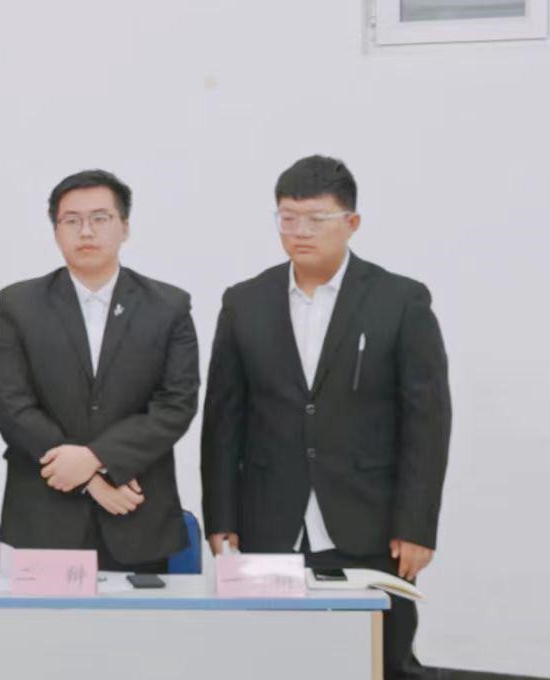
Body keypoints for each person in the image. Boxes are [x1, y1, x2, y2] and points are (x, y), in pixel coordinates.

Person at [201, 155, 451, 679]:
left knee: (380, 662)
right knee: (271, 662)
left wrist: (416, 524)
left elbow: (426, 421)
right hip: (268, 526)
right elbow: (223, 420)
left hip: (371, 526)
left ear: (351, 222)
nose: (300, 232)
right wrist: (221, 519)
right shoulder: (245, 302)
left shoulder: (399, 300)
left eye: (316, 219)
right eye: (287, 218)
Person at [0, 169, 199, 572]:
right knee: (45, 617)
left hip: (135, 512)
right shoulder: (19, 304)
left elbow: (175, 405)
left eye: (100, 218)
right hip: (45, 517)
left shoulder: (168, 306)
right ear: (56, 231)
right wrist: (91, 480)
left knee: (137, 616)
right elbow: (11, 404)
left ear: (125, 227)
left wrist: (96, 458)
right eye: (71, 220)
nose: (85, 231)